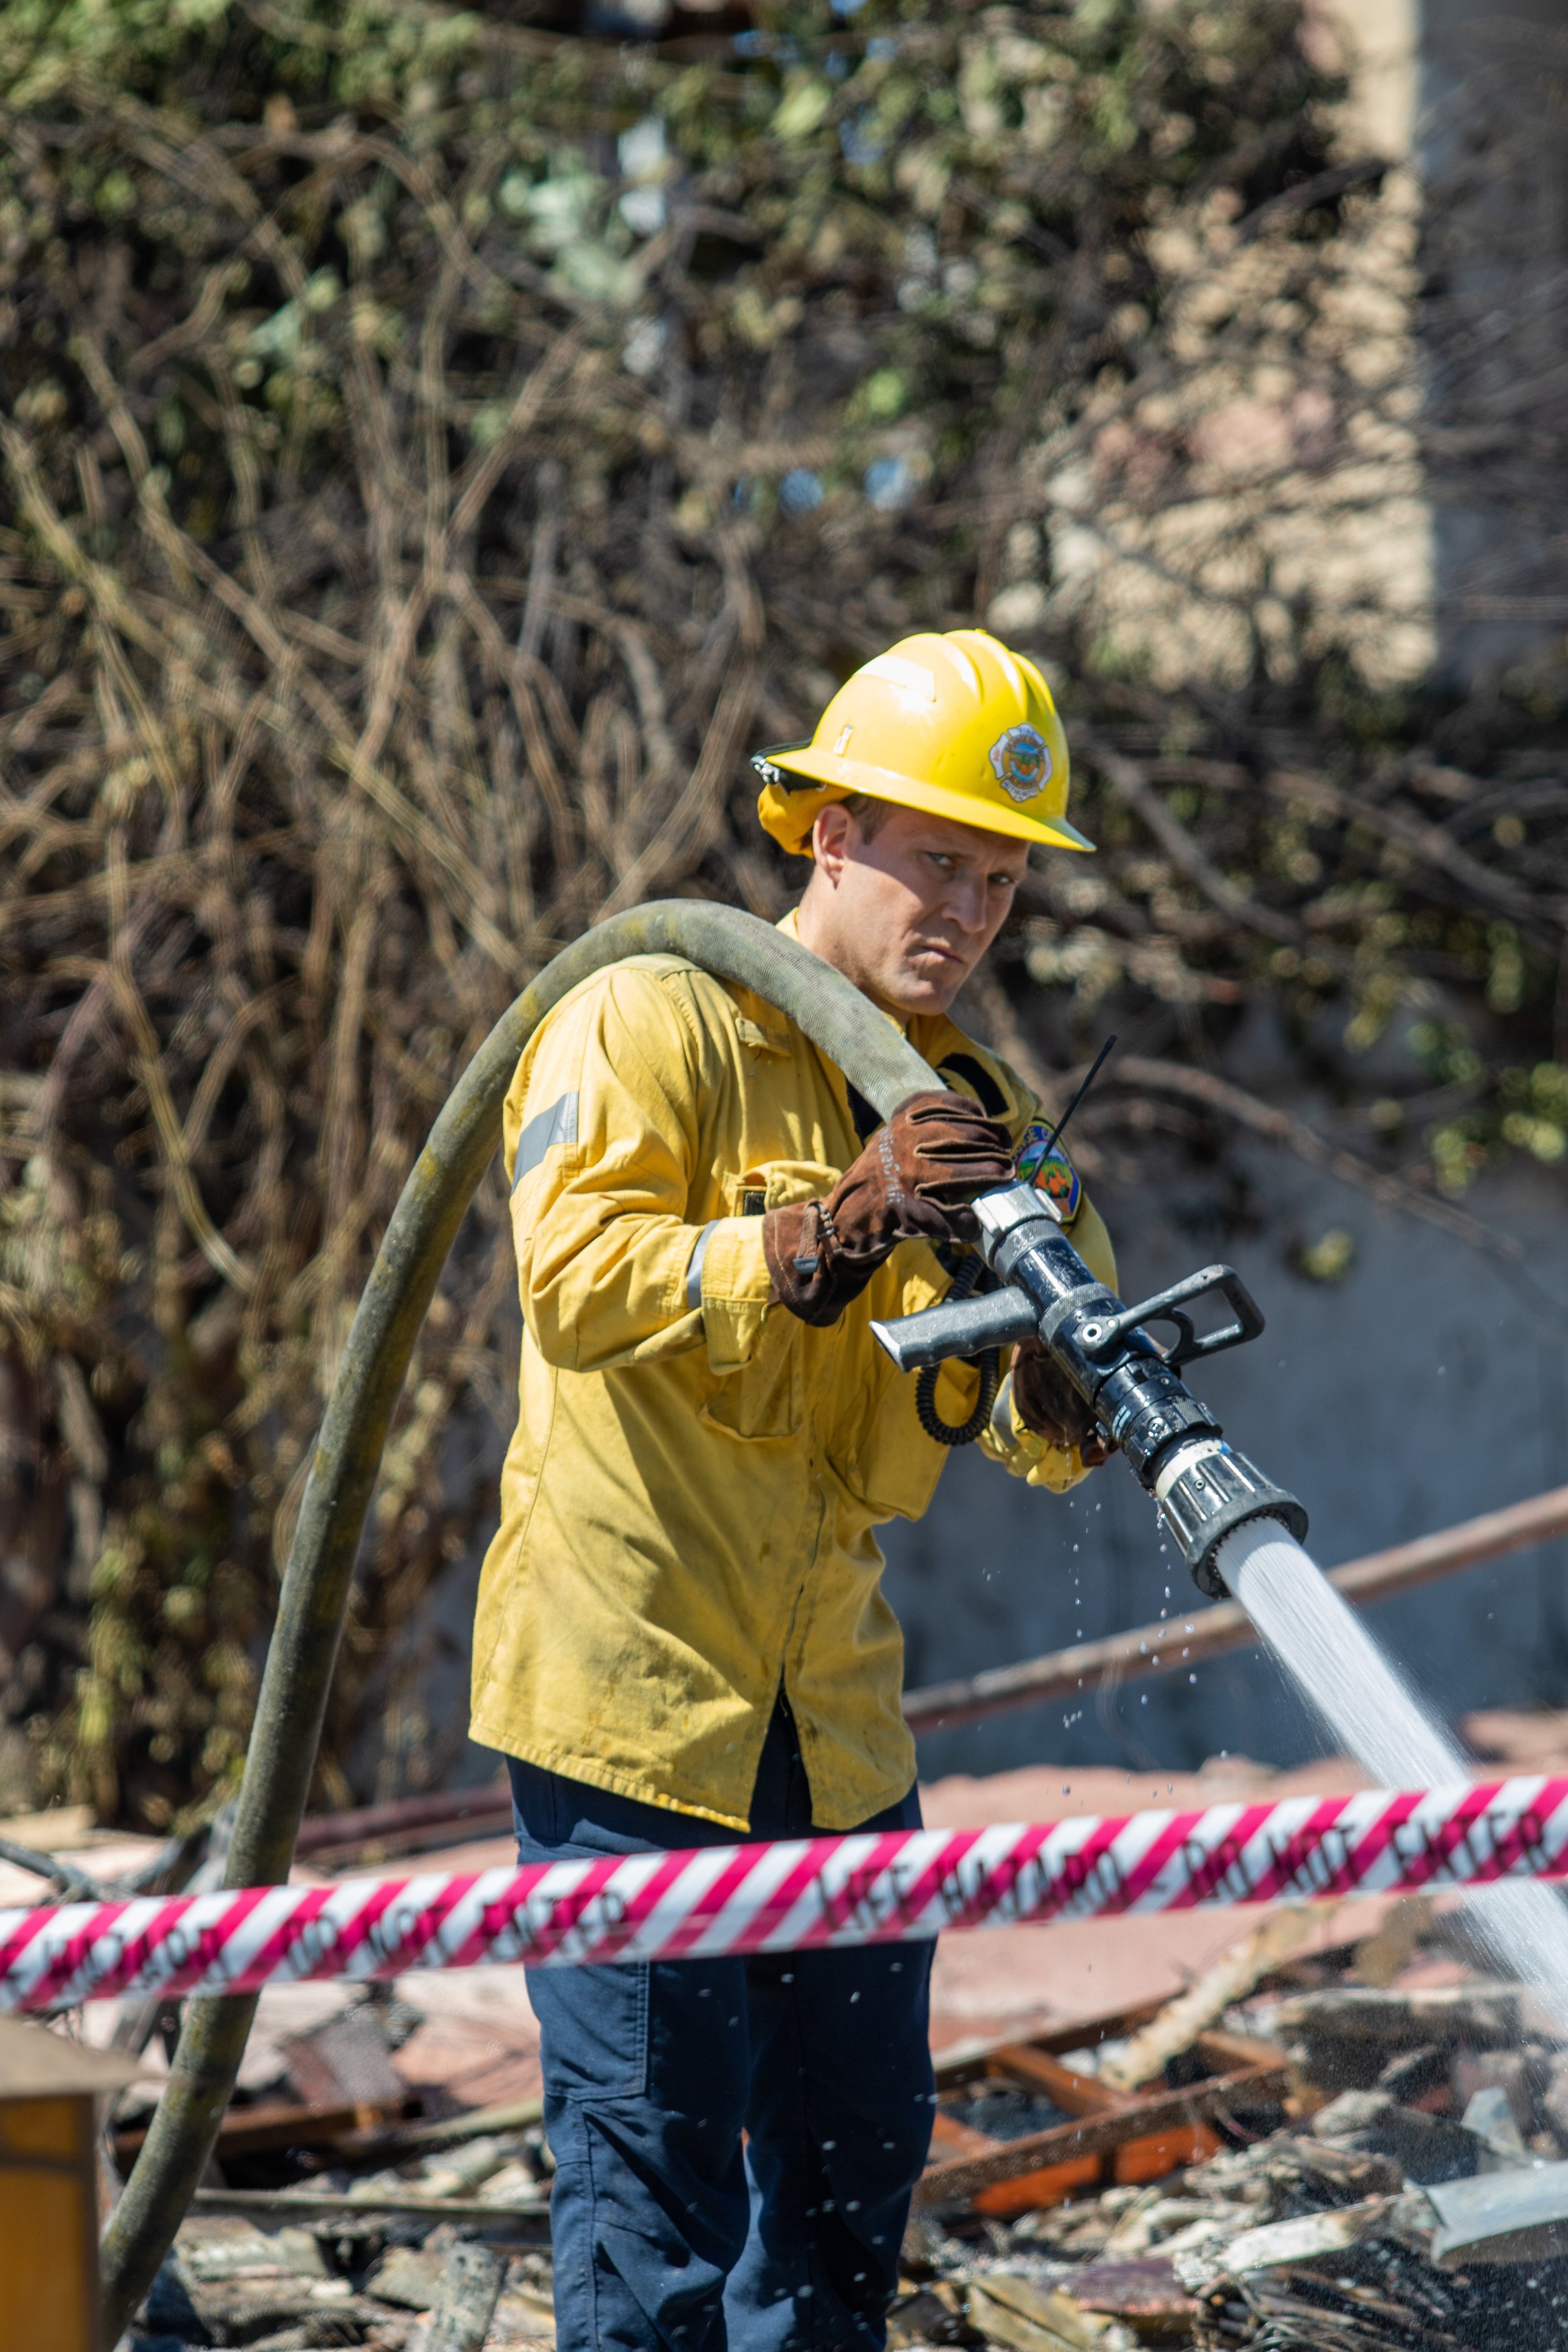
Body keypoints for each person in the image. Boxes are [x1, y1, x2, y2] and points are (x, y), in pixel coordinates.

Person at [472, 628, 1119, 2352]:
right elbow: (575, 1283)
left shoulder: (965, 1103)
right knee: (655, 2198)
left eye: (998, 881)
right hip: (629, 1710)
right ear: (828, 833)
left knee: (848, 2186)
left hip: (831, 1723)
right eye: (936, 860)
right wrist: (826, 1227)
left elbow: (1054, 1437)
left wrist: (1072, 1361)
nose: (969, 911)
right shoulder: (646, 1013)